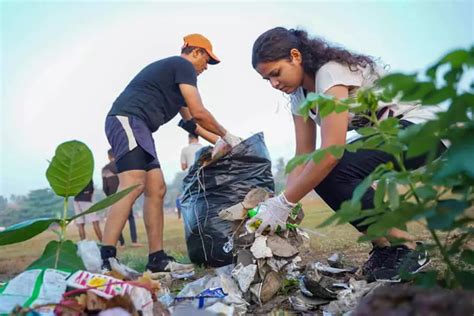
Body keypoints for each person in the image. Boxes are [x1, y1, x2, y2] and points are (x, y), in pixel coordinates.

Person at [249, 27, 445, 282]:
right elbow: (303, 155)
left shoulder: (330, 72)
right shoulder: (299, 96)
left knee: (333, 169)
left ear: (295, 56)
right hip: (389, 135)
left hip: (426, 126)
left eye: (276, 73)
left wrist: (283, 204)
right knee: (323, 173)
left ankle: (408, 249)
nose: (274, 84)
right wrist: (283, 202)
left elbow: (332, 152)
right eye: (267, 80)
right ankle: (386, 249)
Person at [102, 33, 241, 274]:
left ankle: (157, 260)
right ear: (195, 52)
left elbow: (190, 123)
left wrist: (224, 143)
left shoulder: (175, 81)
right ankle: (105, 259)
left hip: (141, 128)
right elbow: (199, 112)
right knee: (133, 184)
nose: (205, 68)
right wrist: (228, 135)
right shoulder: (182, 65)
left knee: (156, 189)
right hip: (127, 119)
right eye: (206, 61)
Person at [102, 149, 143, 248]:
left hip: (112, 197)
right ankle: (134, 241)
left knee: (115, 218)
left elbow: (105, 186)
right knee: (130, 218)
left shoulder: (105, 169)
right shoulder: (122, 165)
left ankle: (122, 243)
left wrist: (109, 196)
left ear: (108, 156)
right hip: (124, 194)